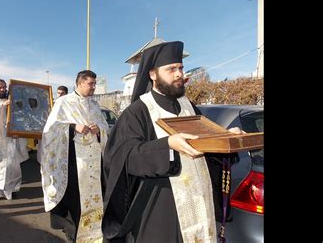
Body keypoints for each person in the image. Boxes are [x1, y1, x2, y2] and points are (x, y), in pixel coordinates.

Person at [101, 41, 243, 242]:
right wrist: (167, 145)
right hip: (160, 205)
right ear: (153, 74)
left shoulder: (189, 107)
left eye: (180, 68)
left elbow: (204, 141)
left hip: (200, 199)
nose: (179, 74)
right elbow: (123, 157)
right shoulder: (138, 111)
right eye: (171, 69)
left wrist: (227, 137)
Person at [40, 70, 109, 242]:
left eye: (94, 83)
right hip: (73, 161)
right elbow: (50, 130)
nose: (93, 87)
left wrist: (99, 131)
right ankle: (74, 233)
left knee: (97, 196)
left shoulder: (94, 105)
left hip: (94, 162)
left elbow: (105, 128)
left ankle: (95, 231)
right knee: (74, 200)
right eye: (90, 84)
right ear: (79, 83)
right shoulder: (64, 102)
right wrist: (72, 127)